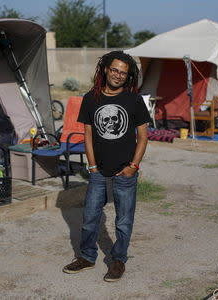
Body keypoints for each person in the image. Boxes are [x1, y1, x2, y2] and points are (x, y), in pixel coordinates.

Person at [62, 51, 151, 282]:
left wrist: (134, 165)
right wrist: (91, 166)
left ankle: (118, 260)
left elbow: (143, 136)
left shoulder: (134, 100)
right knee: (90, 215)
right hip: (98, 170)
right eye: (114, 70)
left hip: (126, 171)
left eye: (123, 72)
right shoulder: (91, 98)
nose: (118, 75)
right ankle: (87, 257)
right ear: (105, 69)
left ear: (128, 75)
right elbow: (88, 134)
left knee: (123, 219)